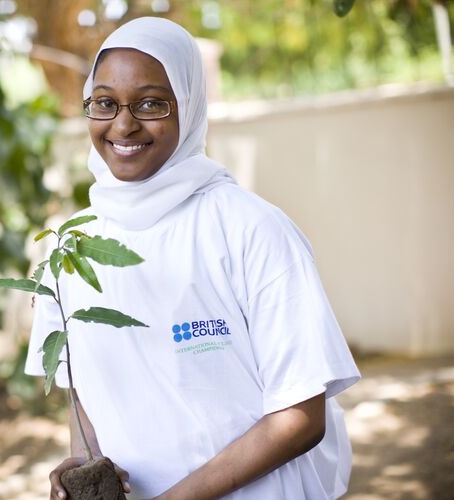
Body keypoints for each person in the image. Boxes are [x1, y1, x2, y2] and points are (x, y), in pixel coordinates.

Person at [25, 17, 360, 500]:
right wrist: (86, 471)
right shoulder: (71, 248)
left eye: (151, 102)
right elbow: (86, 397)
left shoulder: (251, 229)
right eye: (104, 102)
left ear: (189, 105)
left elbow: (300, 417)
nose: (123, 123)